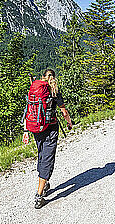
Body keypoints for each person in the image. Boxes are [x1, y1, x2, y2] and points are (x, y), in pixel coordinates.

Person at [22, 68, 73, 209]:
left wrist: (25, 130)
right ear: (53, 77)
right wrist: (69, 123)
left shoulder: (35, 90)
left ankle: (45, 182)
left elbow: (28, 109)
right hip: (50, 128)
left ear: (42, 77)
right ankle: (39, 195)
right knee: (48, 158)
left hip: (36, 127)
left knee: (41, 155)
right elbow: (64, 112)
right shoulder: (54, 91)